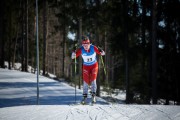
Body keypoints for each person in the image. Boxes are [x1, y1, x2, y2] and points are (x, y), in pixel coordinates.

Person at [71, 36, 105, 104]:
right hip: (86, 66)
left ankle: (93, 96)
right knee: (85, 81)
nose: (85, 46)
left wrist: (102, 51)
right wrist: (73, 53)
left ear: (89, 44)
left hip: (94, 65)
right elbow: (73, 57)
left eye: (87, 44)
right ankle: (84, 96)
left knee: (93, 79)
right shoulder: (81, 49)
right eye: (84, 45)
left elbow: (103, 54)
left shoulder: (93, 48)